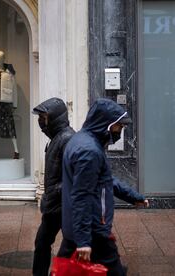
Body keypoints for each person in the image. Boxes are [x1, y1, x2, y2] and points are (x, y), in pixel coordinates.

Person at [58, 98, 149, 276]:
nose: (120, 131)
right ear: (106, 124)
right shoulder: (90, 151)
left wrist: (132, 197)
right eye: (119, 127)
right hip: (93, 230)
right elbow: (82, 196)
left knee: (67, 269)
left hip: (77, 226)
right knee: (114, 271)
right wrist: (84, 240)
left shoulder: (81, 141)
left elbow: (105, 181)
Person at [32, 97, 75, 276]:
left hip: (62, 205)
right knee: (42, 242)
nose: (40, 122)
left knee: (67, 247)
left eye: (43, 117)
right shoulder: (55, 138)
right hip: (54, 204)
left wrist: (51, 193)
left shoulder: (67, 139)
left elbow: (73, 178)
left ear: (54, 118)